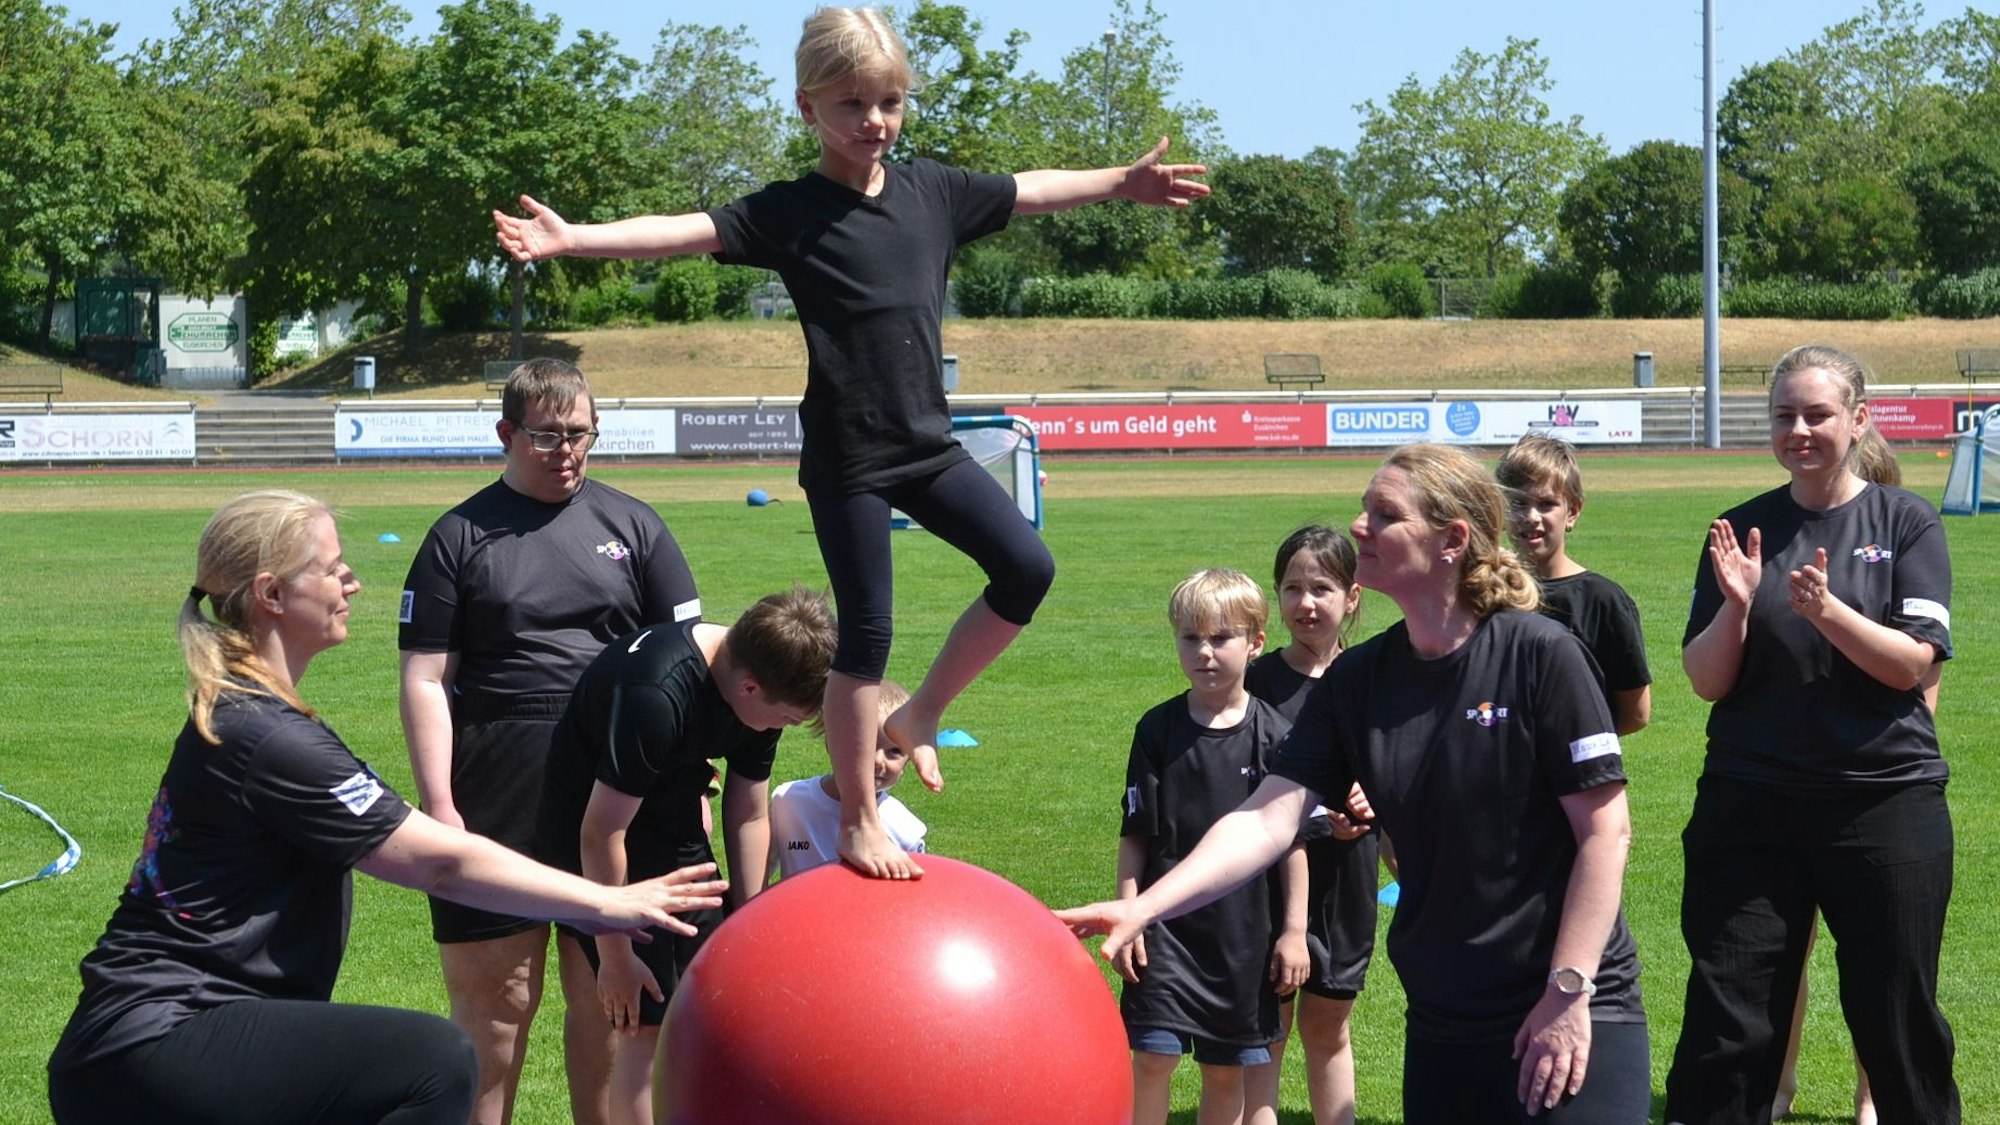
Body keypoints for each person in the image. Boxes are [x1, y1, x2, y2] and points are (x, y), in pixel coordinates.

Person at [493, 5, 1208, 880]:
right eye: (852, 105)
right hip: (849, 459)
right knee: (865, 636)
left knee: (1028, 567)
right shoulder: (792, 212)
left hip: (927, 443)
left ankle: (919, 717)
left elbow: (1030, 186)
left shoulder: (934, 192)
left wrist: (1117, 182)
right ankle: (861, 817)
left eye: (890, 102)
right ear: (808, 109)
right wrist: (573, 241)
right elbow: (683, 232)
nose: (874, 121)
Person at [46, 491, 726, 1125]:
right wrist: (610, 902)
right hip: (159, 1039)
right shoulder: (268, 735)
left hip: (153, 1043)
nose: (352, 583)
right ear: (273, 594)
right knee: (435, 1061)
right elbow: (440, 861)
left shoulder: (252, 715)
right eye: (333, 568)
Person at [1059, 444, 1649, 1125]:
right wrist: (1145, 906)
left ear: (1452, 539)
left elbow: (1606, 832)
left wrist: (1569, 991)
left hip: (1567, 1003)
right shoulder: (1359, 680)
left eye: (1383, 513)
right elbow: (1265, 819)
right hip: (1445, 1016)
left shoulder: (1541, 655)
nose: (1359, 526)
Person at [398, 358, 702, 1125]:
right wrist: (440, 803)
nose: (566, 450)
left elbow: (691, 665)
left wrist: (693, 791)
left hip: (617, 783)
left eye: (580, 434)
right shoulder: (457, 537)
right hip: (498, 780)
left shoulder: (637, 527)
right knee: (496, 1010)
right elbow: (427, 679)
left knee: (613, 1004)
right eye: (547, 436)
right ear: (506, 433)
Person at [1666, 345, 1957, 1125]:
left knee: (1896, 1019)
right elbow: (1706, 680)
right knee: (1729, 1018)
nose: (1799, 428)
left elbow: (1911, 665)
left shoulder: (1906, 521)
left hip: (1881, 802)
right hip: (1751, 804)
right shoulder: (1741, 528)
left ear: (1859, 420)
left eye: (1818, 413)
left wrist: (1826, 610)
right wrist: (1735, 605)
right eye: (1785, 415)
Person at [533, 588, 837, 1125]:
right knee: (643, 1026)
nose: (782, 729)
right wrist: (616, 955)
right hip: (596, 839)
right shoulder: (657, 691)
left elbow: (747, 807)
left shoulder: (757, 685)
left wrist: (748, 918)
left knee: (707, 1002)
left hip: (666, 820)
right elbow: (601, 832)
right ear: (748, 687)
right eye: (786, 719)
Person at [1119, 568, 1299, 1125]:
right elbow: (1135, 834)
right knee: (1151, 1057)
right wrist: (1130, 915)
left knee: (1226, 1073)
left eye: (1221, 638)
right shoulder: (1157, 729)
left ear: (1256, 642)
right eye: (1190, 637)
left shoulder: (1276, 735)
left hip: (1243, 936)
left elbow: (1294, 843)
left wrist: (1293, 930)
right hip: (1164, 929)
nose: (1205, 652)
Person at [1243, 526, 1373, 1125]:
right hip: (1267, 881)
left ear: (1352, 596)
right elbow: (1239, 780)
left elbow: (1408, 766)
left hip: (1347, 883)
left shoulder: (1375, 678)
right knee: (1269, 1024)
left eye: (1322, 587)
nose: (1306, 603)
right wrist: (1317, 815)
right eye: (1292, 588)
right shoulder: (1256, 685)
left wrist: (1376, 800)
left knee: (1329, 1027)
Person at [1495, 434, 1652, 736]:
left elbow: (1636, 712)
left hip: (1575, 774)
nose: (1531, 517)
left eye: (1546, 504)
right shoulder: (1486, 593)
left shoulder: (1602, 601)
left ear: (1573, 511)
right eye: (1518, 503)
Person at [766, 678, 928, 882]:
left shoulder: (906, 829)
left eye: (894, 751)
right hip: (799, 913)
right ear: (832, 743)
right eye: (867, 746)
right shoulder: (789, 802)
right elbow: (763, 866)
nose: (878, 760)